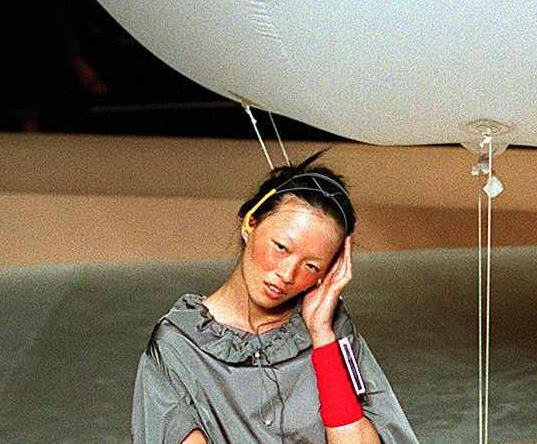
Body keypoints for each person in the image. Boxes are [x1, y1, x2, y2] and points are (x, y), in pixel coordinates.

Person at [132, 153, 419, 443]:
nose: (287, 274)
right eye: (281, 247)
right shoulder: (179, 344)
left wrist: (321, 337)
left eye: (311, 266)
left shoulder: (331, 328)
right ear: (250, 223)